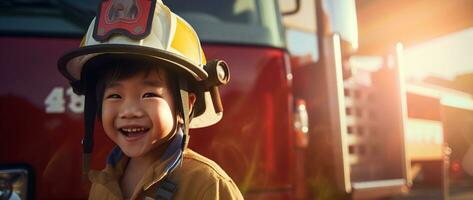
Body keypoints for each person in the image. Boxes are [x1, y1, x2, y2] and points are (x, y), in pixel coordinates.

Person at [57, 0, 243, 199]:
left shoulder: (208, 186)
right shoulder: (102, 184)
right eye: (115, 96)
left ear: (186, 106)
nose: (129, 110)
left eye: (149, 95)